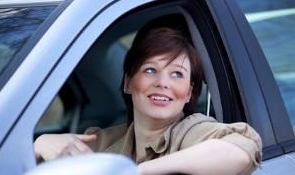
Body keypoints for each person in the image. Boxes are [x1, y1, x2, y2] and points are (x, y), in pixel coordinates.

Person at [34, 14, 262, 175]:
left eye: (177, 74)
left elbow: (244, 147)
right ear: (128, 83)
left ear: (189, 93)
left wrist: (138, 171)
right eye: (150, 70)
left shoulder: (193, 132)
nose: (163, 83)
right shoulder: (101, 141)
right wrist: (39, 146)